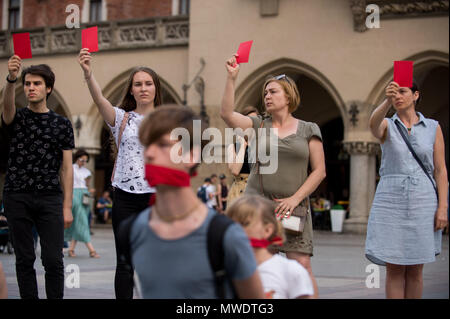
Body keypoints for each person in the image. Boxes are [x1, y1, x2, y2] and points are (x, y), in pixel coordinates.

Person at [128, 104, 265, 298]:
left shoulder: (226, 236)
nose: (149, 154)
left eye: (162, 145)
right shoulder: (136, 229)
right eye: (146, 145)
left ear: (191, 155)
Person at [220, 56, 326, 298]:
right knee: (255, 268)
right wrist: (231, 78)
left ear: (288, 96)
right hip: (258, 207)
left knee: (302, 267)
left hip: (293, 208)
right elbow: (226, 114)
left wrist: (294, 198)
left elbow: (319, 171)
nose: (267, 96)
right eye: (265, 92)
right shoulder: (258, 125)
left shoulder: (309, 129)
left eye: (273, 91)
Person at [78, 48, 162, 298]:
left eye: (148, 83)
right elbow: (99, 100)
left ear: (156, 88)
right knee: (125, 263)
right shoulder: (122, 118)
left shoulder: (168, 121)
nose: (143, 88)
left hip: (156, 200)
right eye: (138, 84)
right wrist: (88, 74)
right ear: (132, 90)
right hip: (125, 198)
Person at [365, 80, 448, 299]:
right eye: (395, 93)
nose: (398, 96)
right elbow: (373, 126)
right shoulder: (387, 125)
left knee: (415, 269)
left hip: (423, 200)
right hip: (390, 201)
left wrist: (443, 208)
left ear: (416, 95)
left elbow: (440, 170)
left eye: (403, 92)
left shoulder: (433, 127)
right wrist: (386, 101)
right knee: (394, 269)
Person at [2, 57, 74, 299]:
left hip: (49, 197)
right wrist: (12, 78)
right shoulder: (17, 118)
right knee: (24, 259)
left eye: (36, 84)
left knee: (53, 259)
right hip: (17, 195)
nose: (30, 88)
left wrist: (67, 206)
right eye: (27, 83)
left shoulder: (62, 124)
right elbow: (7, 109)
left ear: (48, 88)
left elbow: (66, 168)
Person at [227, 195, 314, 299]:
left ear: (268, 230)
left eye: (245, 223)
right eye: (231, 223)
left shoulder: (290, 270)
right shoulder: (223, 267)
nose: (234, 230)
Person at [64, 149, 99, 258]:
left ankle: (71, 249)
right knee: (82, 221)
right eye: (81, 160)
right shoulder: (71, 169)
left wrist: (90, 191)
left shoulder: (86, 172)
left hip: (84, 195)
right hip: (74, 194)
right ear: (77, 158)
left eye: (85, 160)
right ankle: (91, 249)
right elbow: (66, 182)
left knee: (80, 221)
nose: (83, 162)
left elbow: (87, 185)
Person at [226, 106, 259, 206]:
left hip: (258, 194)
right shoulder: (233, 147)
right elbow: (235, 170)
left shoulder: (263, 146)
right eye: (249, 120)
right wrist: (242, 145)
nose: (252, 124)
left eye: (256, 120)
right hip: (239, 195)